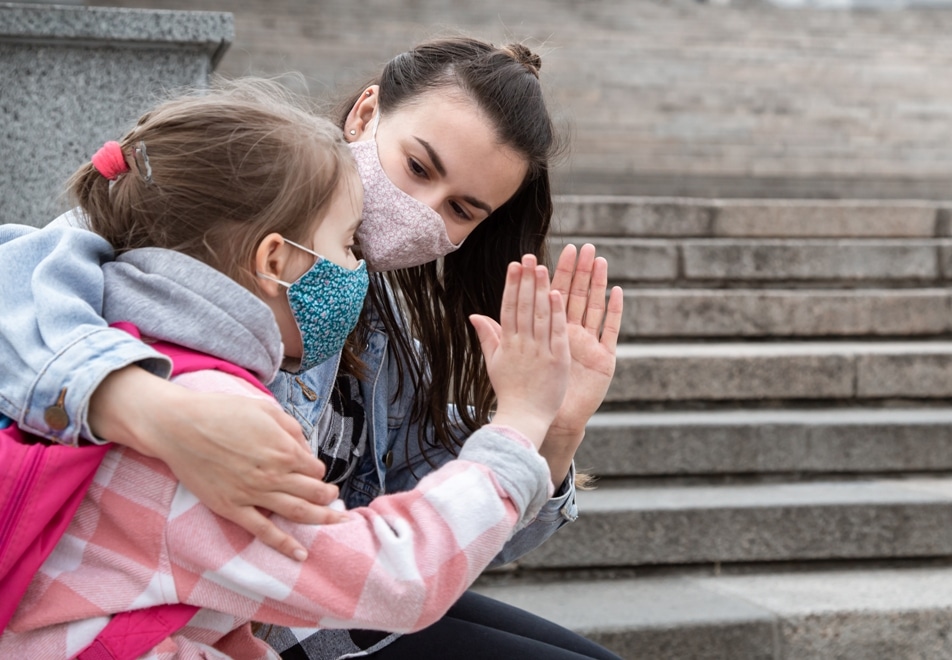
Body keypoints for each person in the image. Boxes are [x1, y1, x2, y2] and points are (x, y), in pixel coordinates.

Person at [0, 37, 624, 658]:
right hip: (291, 601)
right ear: (365, 112)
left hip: (310, 603)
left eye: (461, 208)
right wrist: (147, 407)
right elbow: (25, 279)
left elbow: (452, 525)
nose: (422, 211)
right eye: (418, 167)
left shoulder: (381, 316)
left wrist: (553, 428)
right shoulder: (206, 207)